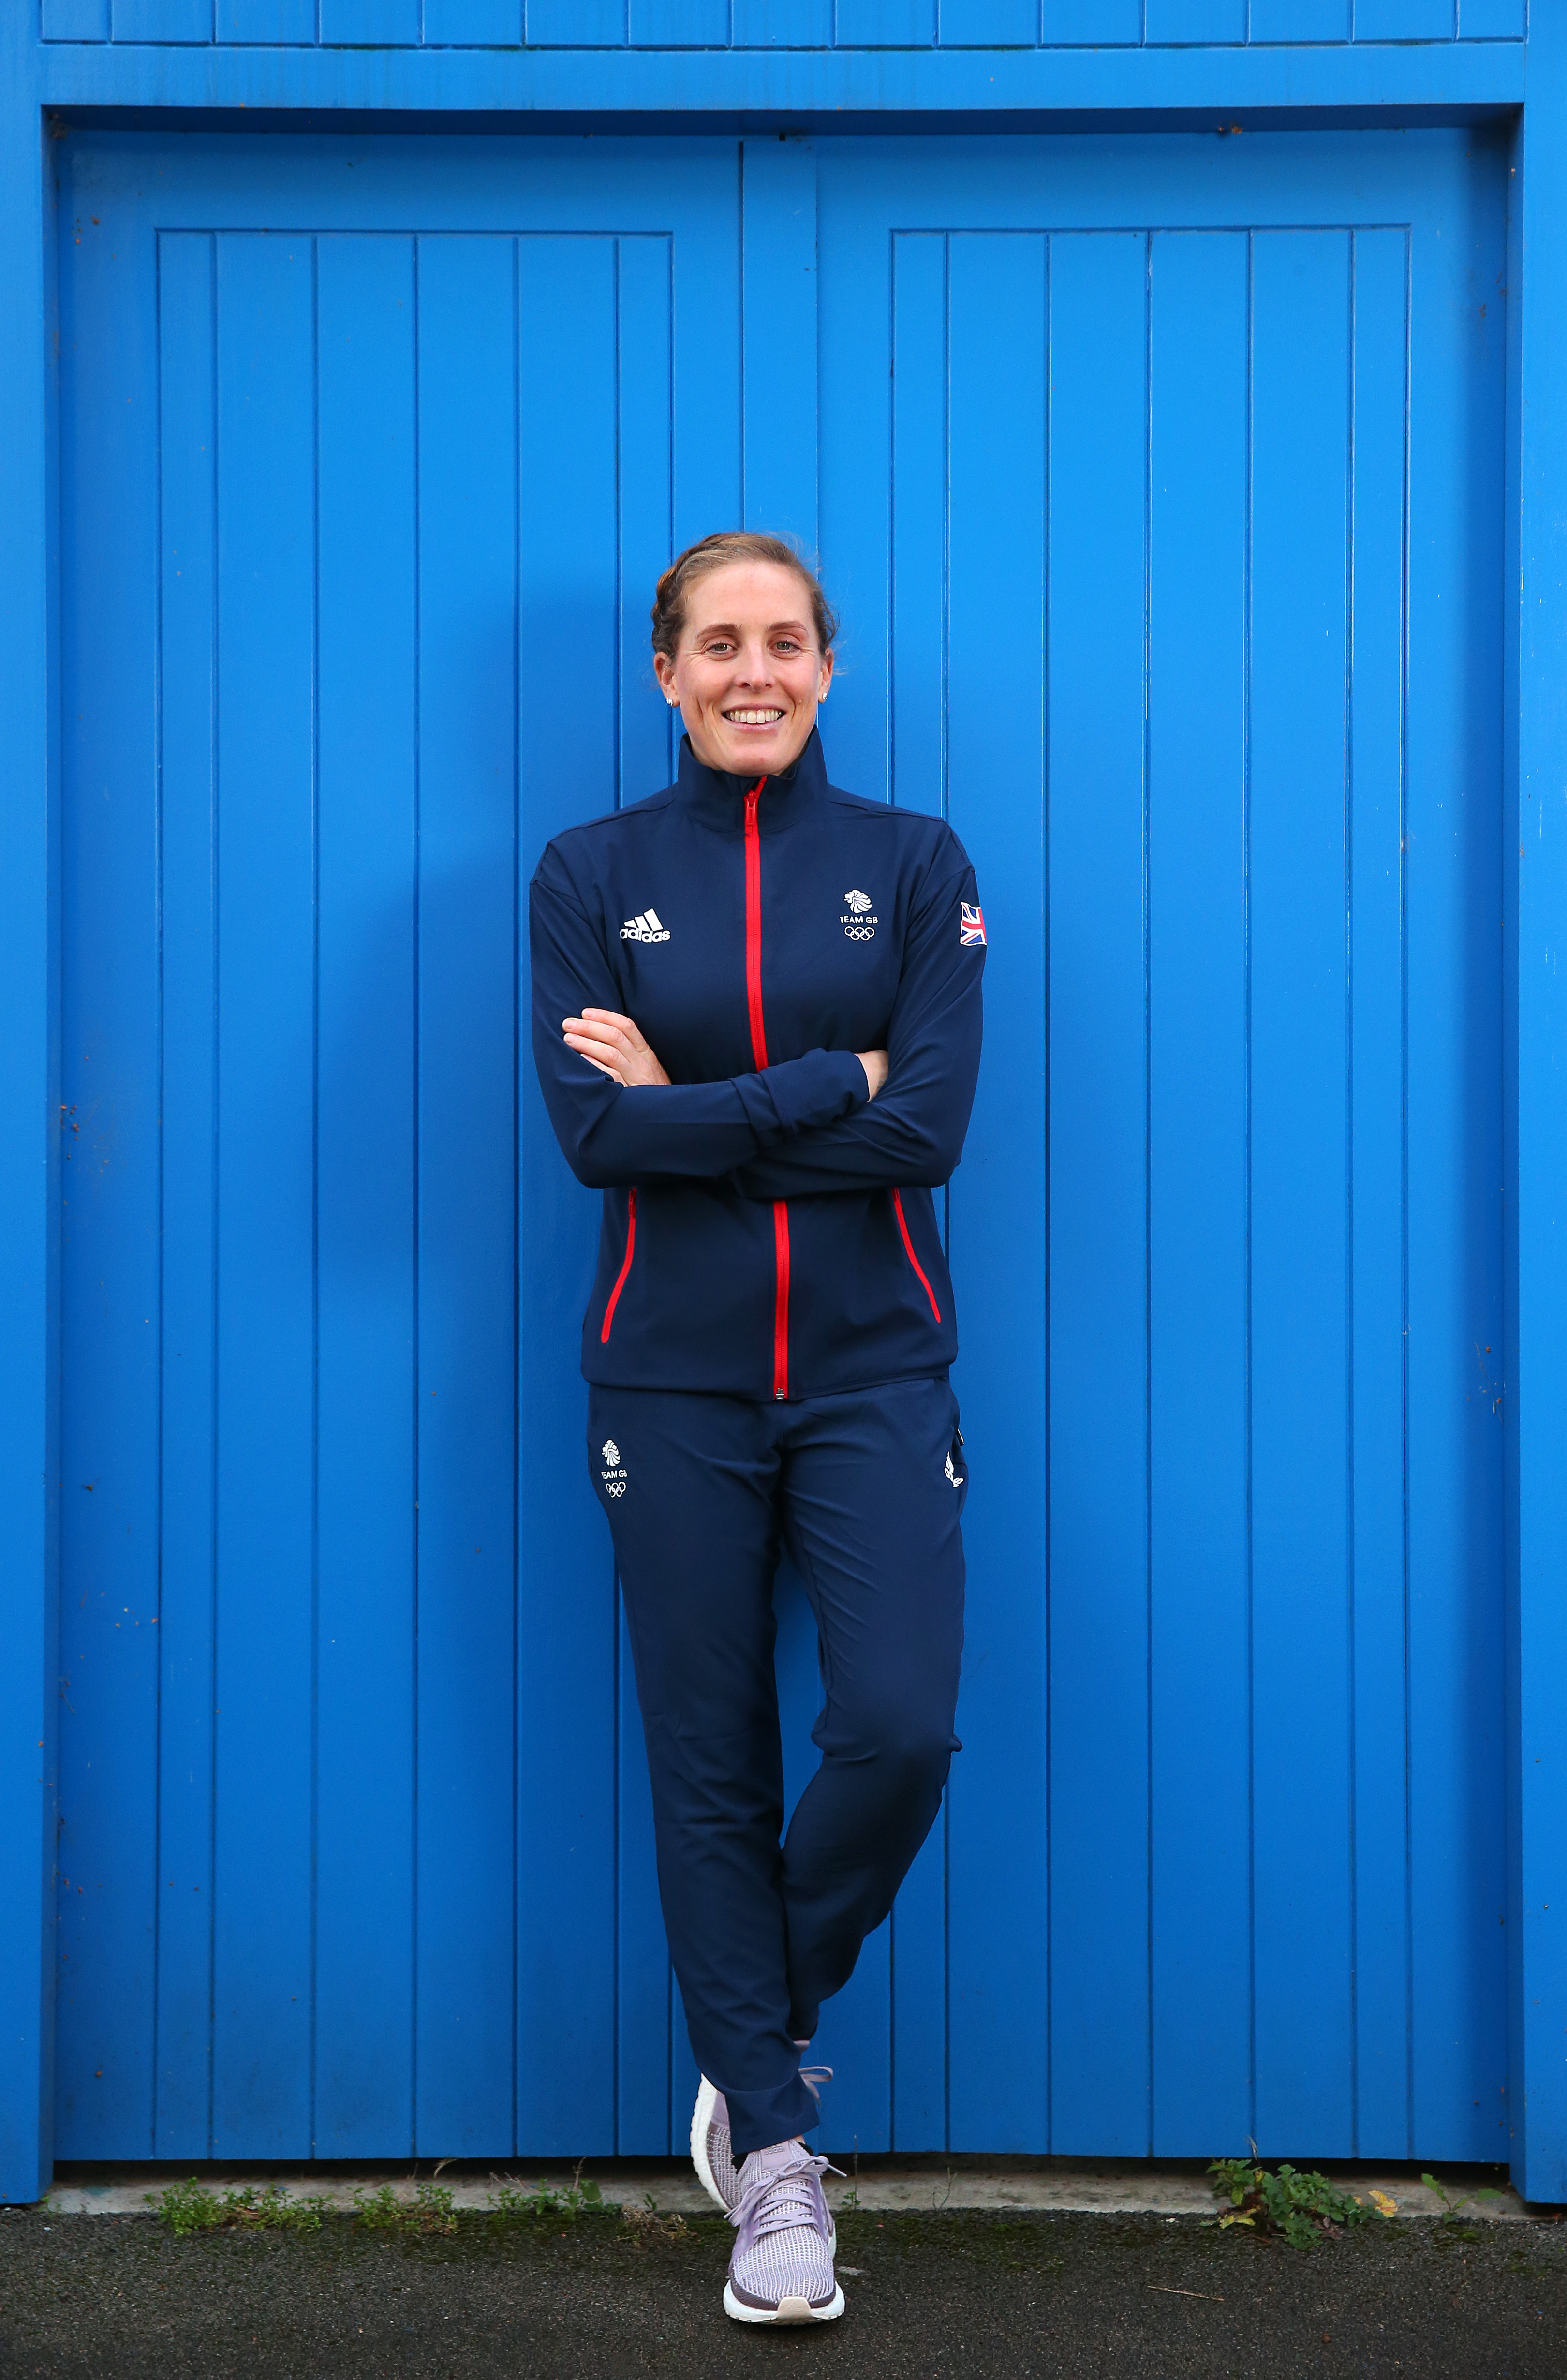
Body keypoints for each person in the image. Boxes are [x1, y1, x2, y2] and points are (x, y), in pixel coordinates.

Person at [529, 531, 985, 2325]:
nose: (753, 671)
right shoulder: (589, 872)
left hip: (878, 1367)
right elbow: (595, 1136)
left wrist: (701, 1099)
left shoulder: (912, 863)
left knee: (898, 1726)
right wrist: (829, 1083)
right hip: (670, 1379)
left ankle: (756, 2027)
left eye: (785, 642)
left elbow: (928, 1129)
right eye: (718, 643)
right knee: (707, 1761)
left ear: (827, 666)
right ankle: (778, 2174)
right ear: (665, 673)